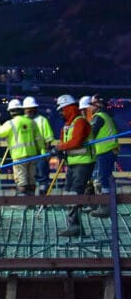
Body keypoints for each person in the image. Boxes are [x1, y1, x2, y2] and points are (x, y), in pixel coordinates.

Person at [53, 95, 96, 237]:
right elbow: (64, 143)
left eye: (62, 109)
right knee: (68, 192)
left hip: (83, 163)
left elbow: (76, 142)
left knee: (75, 193)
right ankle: (74, 225)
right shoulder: (67, 126)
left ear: (69, 108)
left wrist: (60, 148)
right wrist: (60, 150)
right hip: (73, 163)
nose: (60, 113)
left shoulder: (80, 122)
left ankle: (75, 226)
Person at [0, 98, 46, 197]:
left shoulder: (11, 123)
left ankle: (22, 203)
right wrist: (43, 152)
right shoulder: (31, 122)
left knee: (21, 181)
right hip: (33, 155)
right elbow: (39, 139)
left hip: (19, 156)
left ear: (10, 112)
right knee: (31, 181)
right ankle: (31, 201)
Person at [85, 95, 118, 214]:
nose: (90, 108)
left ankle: (105, 207)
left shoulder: (98, 117)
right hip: (105, 151)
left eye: (91, 105)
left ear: (98, 105)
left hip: (105, 151)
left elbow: (90, 134)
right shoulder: (105, 116)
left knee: (102, 180)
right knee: (97, 178)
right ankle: (97, 205)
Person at [23, 96, 55, 195]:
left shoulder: (42, 120)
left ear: (34, 108)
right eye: (27, 109)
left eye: (30, 108)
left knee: (42, 179)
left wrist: (47, 153)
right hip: (27, 155)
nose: (28, 111)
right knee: (28, 179)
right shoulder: (21, 121)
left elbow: (48, 138)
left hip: (41, 155)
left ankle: (42, 201)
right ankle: (30, 201)